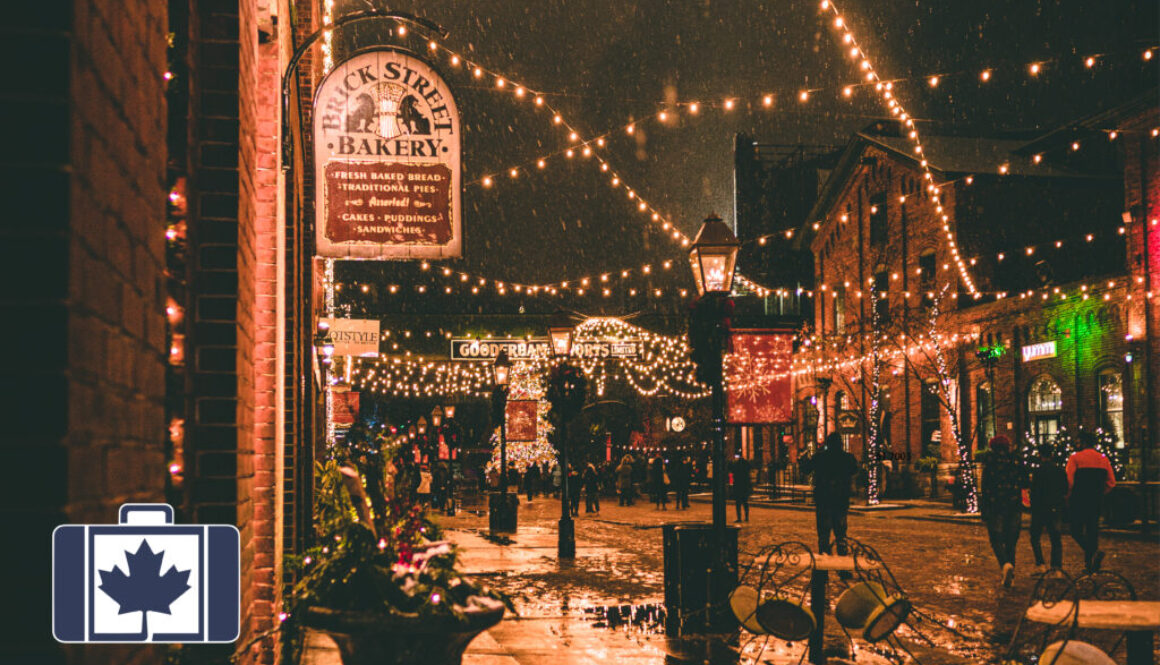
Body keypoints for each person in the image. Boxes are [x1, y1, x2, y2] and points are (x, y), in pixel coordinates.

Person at [980, 435, 1027, 587]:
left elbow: (985, 487)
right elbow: (1025, 481)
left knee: (996, 539)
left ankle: (1005, 565)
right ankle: (1010, 575)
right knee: (1011, 541)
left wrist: (984, 509)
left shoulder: (990, 462)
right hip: (1013, 505)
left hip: (996, 505)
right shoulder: (1016, 460)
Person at [1065, 432, 1116, 572]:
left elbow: (1069, 481)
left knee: (1075, 530)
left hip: (1079, 500)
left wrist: (1068, 496)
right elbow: (1111, 482)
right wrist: (1100, 493)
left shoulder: (1075, 458)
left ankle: (1092, 553)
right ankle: (1090, 565)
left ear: (1083, 442)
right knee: (1092, 531)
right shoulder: (1103, 459)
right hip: (1096, 500)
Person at [801, 433, 859, 555]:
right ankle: (843, 563)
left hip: (824, 500)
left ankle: (824, 562)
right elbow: (855, 469)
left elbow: (806, 469)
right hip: (841, 500)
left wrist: (803, 458)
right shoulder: (847, 458)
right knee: (841, 534)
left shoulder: (820, 457)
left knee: (823, 534)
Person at [1028, 446, 1067, 572]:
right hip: (1055, 506)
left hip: (1039, 508)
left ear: (1040, 455)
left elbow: (1034, 491)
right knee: (1055, 538)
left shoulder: (1038, 471)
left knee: (1035, 537)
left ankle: (1041, 565)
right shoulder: (1060, 470)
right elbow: (1065, 488)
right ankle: (1056, 567)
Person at [729, 454, 752, 522]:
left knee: (738, 503)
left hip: (738, 486)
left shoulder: (736, 467)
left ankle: (739, 518)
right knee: (745, 502)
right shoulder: (746, 468)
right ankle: (746, 517)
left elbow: (732, 470)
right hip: (744, 486)